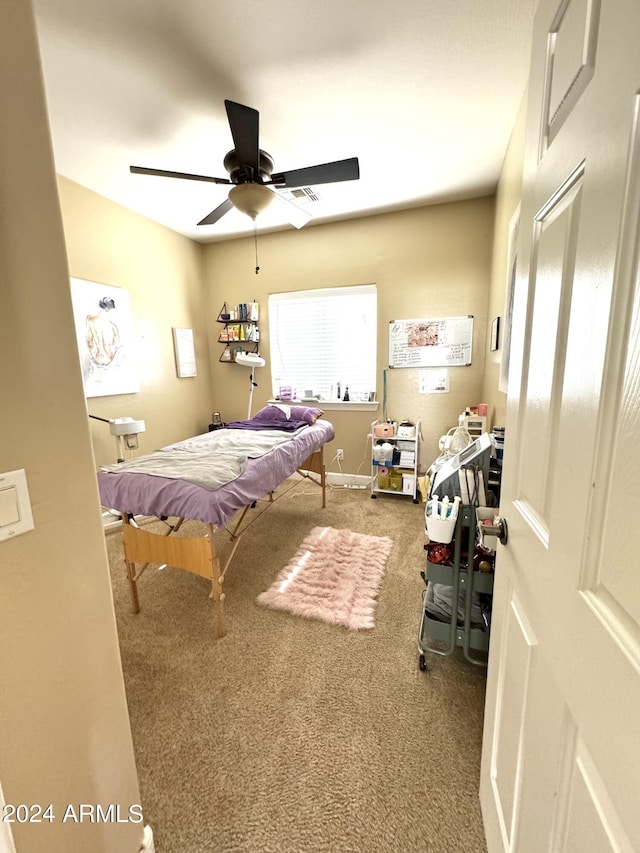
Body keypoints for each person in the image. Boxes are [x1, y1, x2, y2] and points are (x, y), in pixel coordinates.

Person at [86, 296, 121, 365]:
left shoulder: (90, 320)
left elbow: (90, 343)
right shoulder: (113, 328)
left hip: (98, 359)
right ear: (110, 310)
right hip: (110, 361)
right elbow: (117, 346)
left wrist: (92, 355)